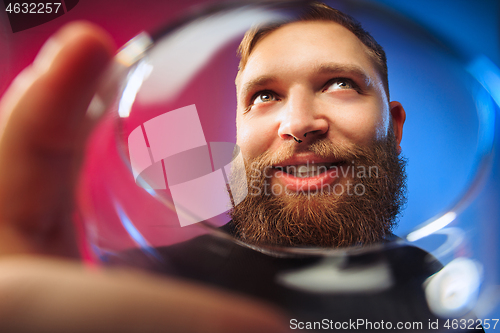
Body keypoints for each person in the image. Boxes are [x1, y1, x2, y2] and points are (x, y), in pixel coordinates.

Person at [0, 2, 479, 332]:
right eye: (265, 96)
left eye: (339, 84)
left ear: (393, 129)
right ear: (239, 139)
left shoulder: (440, 289)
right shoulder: (148, 284)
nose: (299, 123)